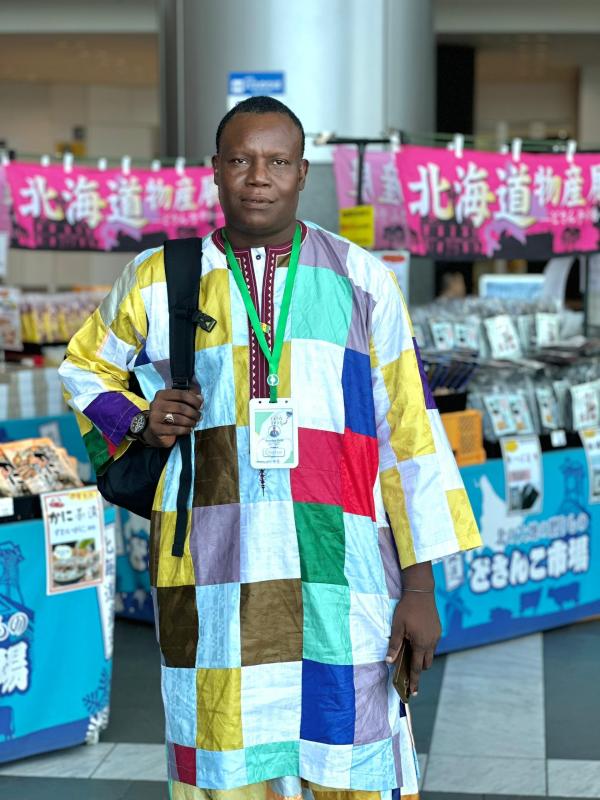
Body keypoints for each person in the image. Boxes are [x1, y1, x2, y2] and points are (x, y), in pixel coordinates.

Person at [60, 96, 481, 800]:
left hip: (343, 576)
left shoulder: (362, 279)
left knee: (354, 758)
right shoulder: (160, 277)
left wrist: (419, 588)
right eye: (241, 160)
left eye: (278, 161)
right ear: (215, 170)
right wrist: (140, 419)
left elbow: (409, 438)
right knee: (225, 762)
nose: (259, 177)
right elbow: (84, 368)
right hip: (213, 575)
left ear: (302, 173)